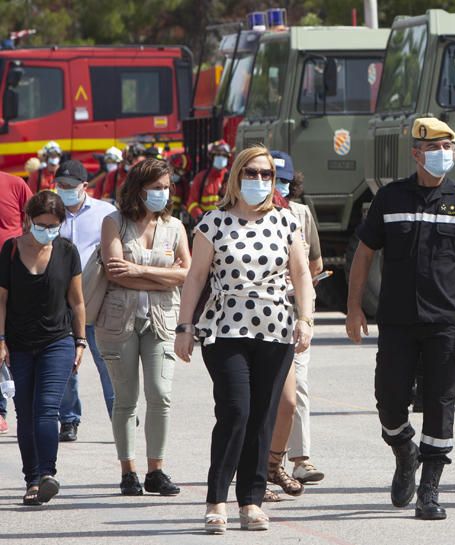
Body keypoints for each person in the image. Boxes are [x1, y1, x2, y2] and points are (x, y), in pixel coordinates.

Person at [346, 117, 455, 520]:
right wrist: (354, 306)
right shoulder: (391, 198)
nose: (441, 155)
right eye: (433, 149)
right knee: (390, 402)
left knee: (441, 403)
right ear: (416, 153)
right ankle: (404, 450)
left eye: (447, 148)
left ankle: (429, 489)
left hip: (444, 322)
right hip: (396, 320)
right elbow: (364, 253)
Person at [173, 145, 314, 533]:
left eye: (266, 174)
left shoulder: (286, 222)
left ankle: (250, 501)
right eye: (251, 173)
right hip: (225, 328)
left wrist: (306, 318)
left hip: (275, 328)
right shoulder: (213, 222)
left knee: (263, 416)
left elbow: (301, 274)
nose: (259, 180)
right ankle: (216, 498)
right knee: (236, 411)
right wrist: (185, 327)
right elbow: (196, 278)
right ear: (237, 176)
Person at [95, 158, 191, 496]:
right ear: (138, 189)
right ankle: (128, 471)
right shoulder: (114, 222)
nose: (162, 194)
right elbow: (114, 271)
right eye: (156, 188)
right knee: (126, 399)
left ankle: (156, 470)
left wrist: (138, 273)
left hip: (163, 320)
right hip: (119, 320)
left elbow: (187, 275)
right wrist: (164, 278)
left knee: (161, 394)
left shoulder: (175, 227)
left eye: (166, 188)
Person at [0, 191, 86, 505]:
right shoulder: (10, 250)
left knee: (47, 408)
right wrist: (0, 341)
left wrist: (80, 341)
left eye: (53, 225)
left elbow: (76, 302)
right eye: (41, 224)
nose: (47, 230)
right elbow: (1, 300)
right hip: (18, 345)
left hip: (57, 341)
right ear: (28, 221)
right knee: (25, 412)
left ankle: (47, 474)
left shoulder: (67, 251)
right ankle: (32, 479)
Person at [265, 151, 325, 501]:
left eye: (282, 179)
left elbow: (314, 263)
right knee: (257, 393)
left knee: (297, 384)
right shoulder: (236, 216)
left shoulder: (300, 214)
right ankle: (258, 463)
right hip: (257, 315)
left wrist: (305, 294)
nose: (277, 186)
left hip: (294, 310)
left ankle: (299, 458)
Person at [55, 161, 117, 442]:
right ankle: (68, 419)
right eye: (61, 186)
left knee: (109, 363)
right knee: (67, 364)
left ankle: (120, 416)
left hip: (98, 300)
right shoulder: (49, 212)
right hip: (61, 303)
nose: (65, 191)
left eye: (70, 186)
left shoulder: (106, 213)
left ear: (85, 187)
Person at [0, 170, 33, 435]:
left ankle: (25, 405)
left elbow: (34, 218)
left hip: (15, 273)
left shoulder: (15, 184)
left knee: (17, 341)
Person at [186, 140, 231, 223]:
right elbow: (191, 203)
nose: (221, 158)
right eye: (218, 155)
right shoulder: (201, 177)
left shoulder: (231, 178)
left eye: (224, 155)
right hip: (205, 222)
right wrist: (200, 217)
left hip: (226, 224)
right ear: (212, 157)